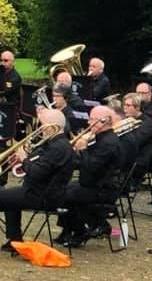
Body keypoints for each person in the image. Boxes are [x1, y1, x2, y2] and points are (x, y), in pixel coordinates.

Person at [0, 109, 74, 254]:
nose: (40, 129)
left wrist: (24, 160)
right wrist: (23, 159)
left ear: (51, 126)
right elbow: (39, 165)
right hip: (40, 191)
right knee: (8, 197)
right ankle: (15, 241)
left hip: (43, 196)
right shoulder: (54, 143)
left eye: (42, 125)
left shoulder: (58, 147)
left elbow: (37, 173)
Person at [57, 106, 122, 248]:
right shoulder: (101, 138)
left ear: (103, 122)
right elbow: (86, 163)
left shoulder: (109, 143)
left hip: (102, 189)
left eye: (92, 119)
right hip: (92, 183)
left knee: (63, 196)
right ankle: (69, 230)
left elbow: (91, 167)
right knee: (60, 189)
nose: (88, 123)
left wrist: (83, 150)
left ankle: (80, 231)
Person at [119, 93, 152, 185]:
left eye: (128, 105)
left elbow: (133, 142)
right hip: (126, 157)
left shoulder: (147, 124)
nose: (124, 108)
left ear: (138, 107)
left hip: (137, 162)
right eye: (124, 105)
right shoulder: (127, 120)